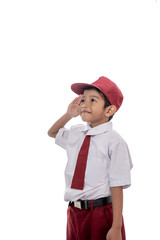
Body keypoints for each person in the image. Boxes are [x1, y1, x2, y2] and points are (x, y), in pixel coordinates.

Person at [48, 76, 133, 240]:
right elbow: (52, 133)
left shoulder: (114, 142)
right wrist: (68, 115)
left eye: (93, 100)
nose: (84, 104)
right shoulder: (76, 132)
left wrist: (116, 227)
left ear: (109, 110)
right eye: (83, 99)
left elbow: (117, 186)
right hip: (74, 212)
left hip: (100, 213)